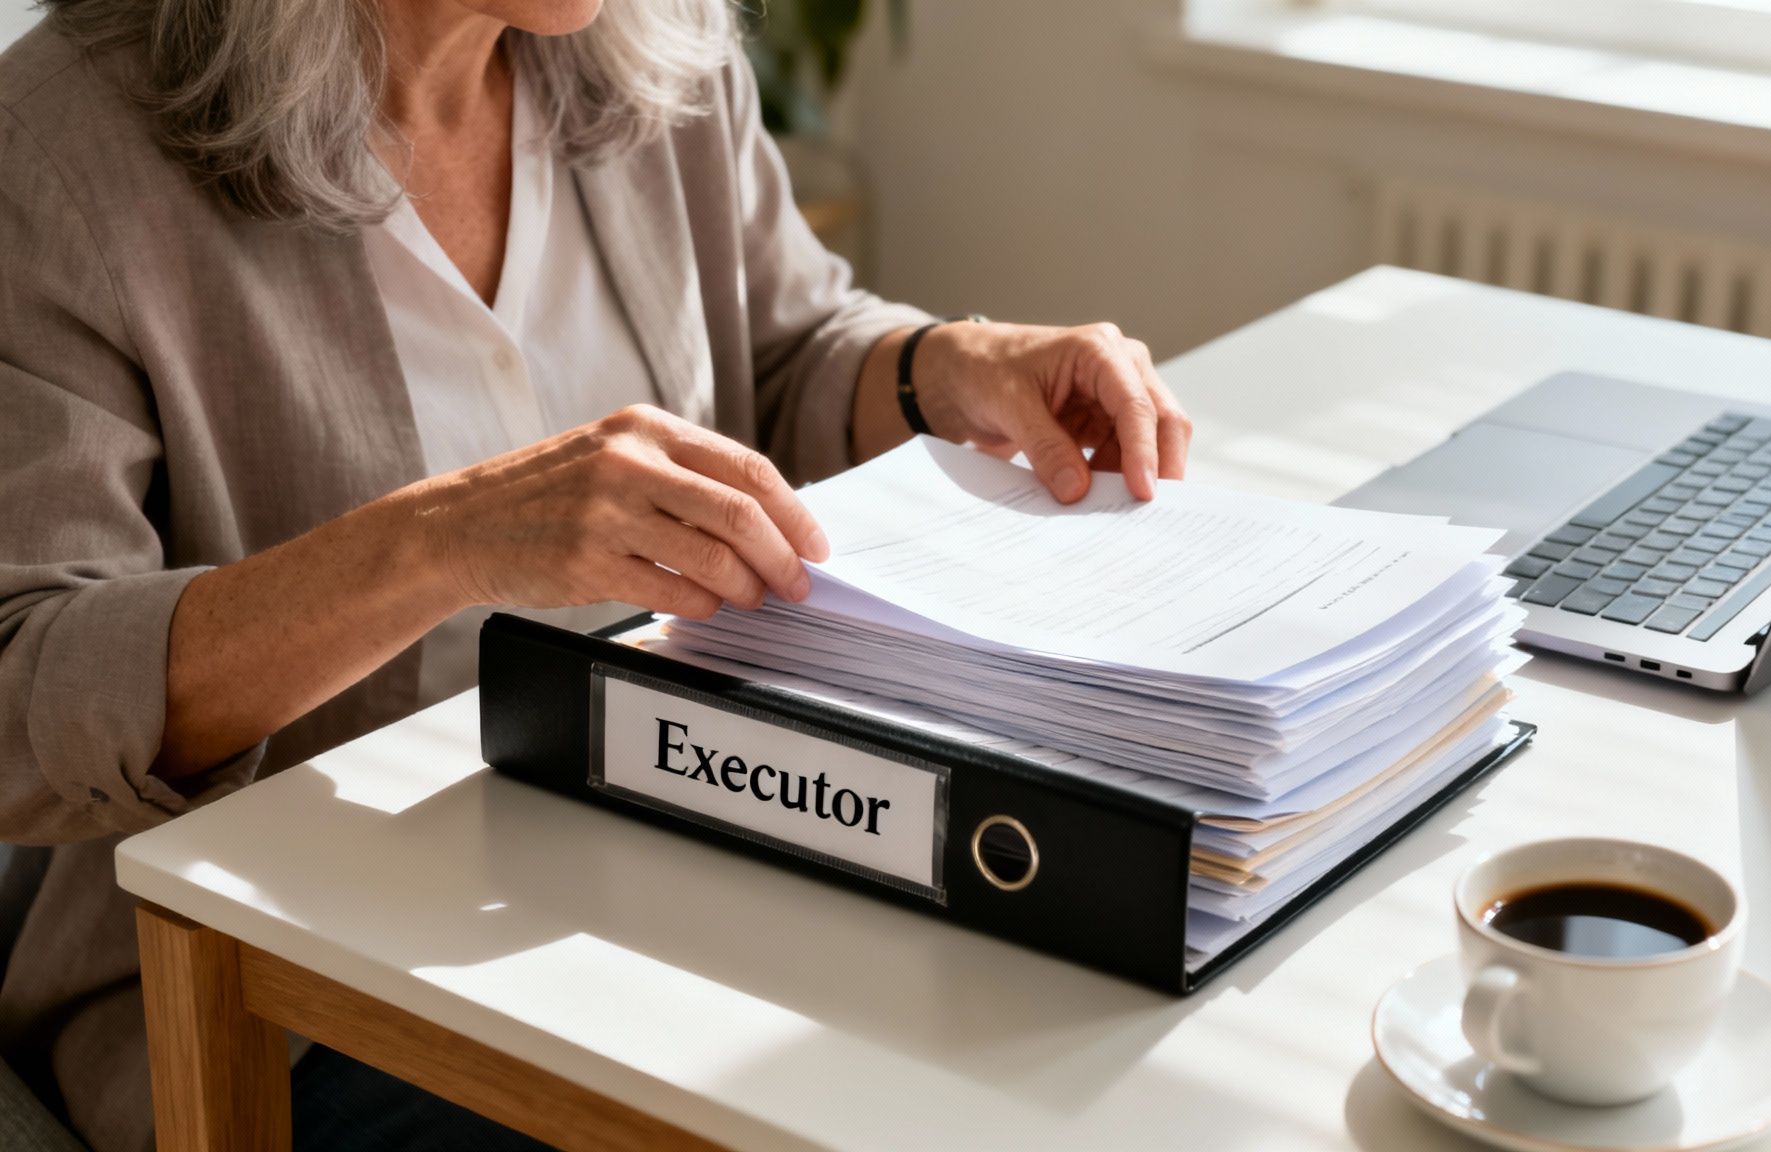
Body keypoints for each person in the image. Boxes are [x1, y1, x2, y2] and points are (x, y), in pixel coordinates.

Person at [0, 0, 1193, 1147]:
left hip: (704, 843)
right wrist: (437, 543)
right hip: (293, 994)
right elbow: (21, 685)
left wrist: (948, 362)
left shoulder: (656, 49)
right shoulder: (56, 149)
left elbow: (778, 352)